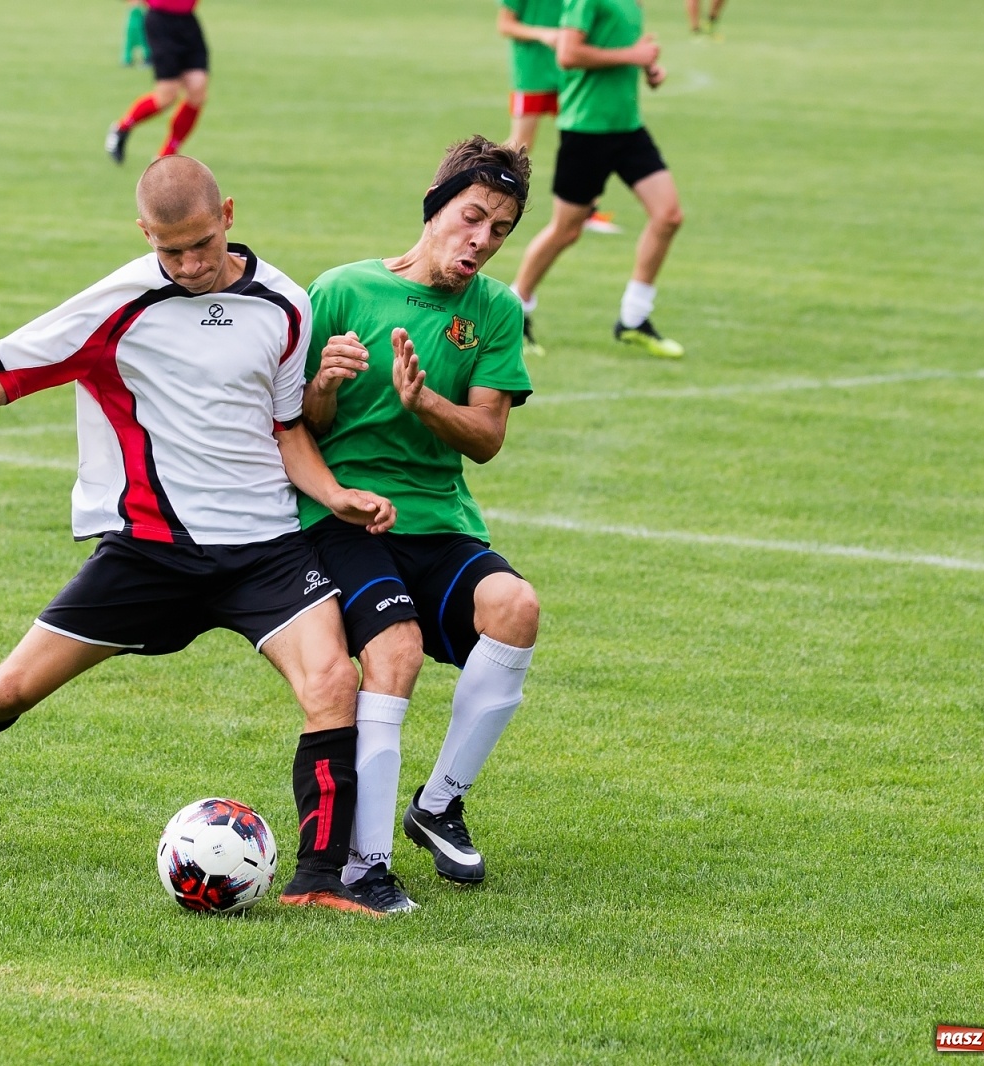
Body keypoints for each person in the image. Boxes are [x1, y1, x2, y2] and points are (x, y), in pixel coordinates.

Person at [0, 156, 402, 916]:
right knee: (8, 688)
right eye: (172, 250)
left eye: (202, 243)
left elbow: (288, 428)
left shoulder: (286, 305)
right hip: (149, 551)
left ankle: (318, 881)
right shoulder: (119, 303)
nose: (191, 264)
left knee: (333, 682)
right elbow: (2, 374)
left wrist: (334, 495)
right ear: (145, 235)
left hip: (266, 550)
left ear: (228, 214)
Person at [300, 136, 541, 912]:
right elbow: (291, 422)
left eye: (500, 229)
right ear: (435, 209)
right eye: (472, 217)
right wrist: (326, 385)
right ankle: (363, 865)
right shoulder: (340, 290)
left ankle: (437, 805)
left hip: (438, 520)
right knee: (395, 651)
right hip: (343, 517)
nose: (482, 240)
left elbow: (489, 438)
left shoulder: (497, 311)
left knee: (517, 607)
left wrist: (424, 401)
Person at [510, 0, 686, 359]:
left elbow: (621, 52)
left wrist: (648, 68)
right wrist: (632, 56)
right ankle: (516, 311)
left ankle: (634, 320)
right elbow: (568, 54)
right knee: (566, 230)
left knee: (668, 216)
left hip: (628, 128)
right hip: (586, 131)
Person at [495, 0, 620, 242]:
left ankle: (586, 211)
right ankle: (480, 185)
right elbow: (505, 25)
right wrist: (542, 33)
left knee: (582, 137)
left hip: (571, 73)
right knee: (522, 143)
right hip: (531, 71)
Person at [105, 0, 209, 164]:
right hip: (161, 23)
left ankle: (166, 154)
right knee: (167, 96)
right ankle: (122, 128)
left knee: (197, 90)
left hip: (188, 22)